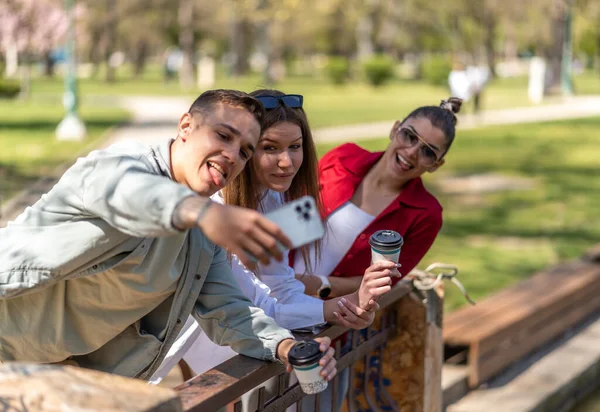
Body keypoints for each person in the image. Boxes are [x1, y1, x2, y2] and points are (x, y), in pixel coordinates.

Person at [0, 89, 336, 382]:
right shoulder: (119, 165)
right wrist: (205, 212)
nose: (233, 155)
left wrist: (286, 346)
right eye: (223, 136)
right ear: (186, 126)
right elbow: (130, 192)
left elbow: (230, 310)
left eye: (246, 150)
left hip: (54, 374)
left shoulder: (200, 239)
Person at [150, 90, 395, 386]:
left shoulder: (271, 196)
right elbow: (261, 307)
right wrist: (340, 304)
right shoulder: (211, 210)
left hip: (212, 339)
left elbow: (280, 288)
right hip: (151, 346)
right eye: (270, 148)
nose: (286, 162)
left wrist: (348, 306)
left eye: (295, 146)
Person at [293, 97, 463, 410]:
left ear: (436, 165)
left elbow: (382, 279)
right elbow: (293, 211)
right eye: (409, 136)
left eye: (427, 151)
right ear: (395, 129)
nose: (412, 152)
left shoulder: (425, 214)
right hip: (269, 294)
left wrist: (318, 284)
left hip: (328, 325)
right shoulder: (343, 157)